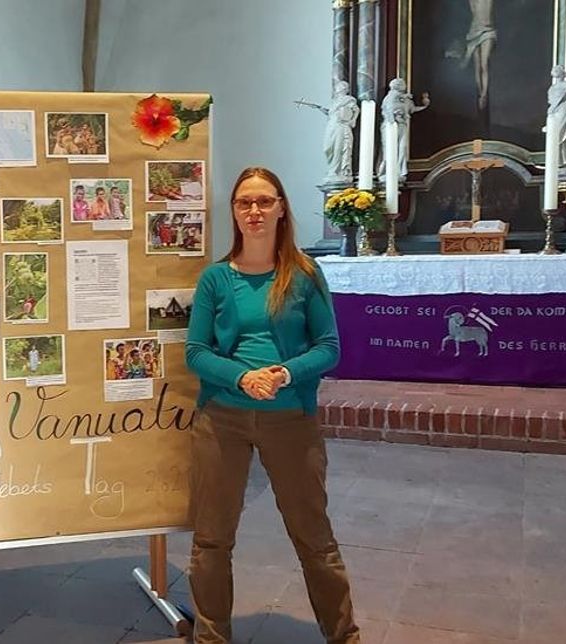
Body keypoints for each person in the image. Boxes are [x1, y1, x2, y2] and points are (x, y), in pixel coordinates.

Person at [185, 167, 359, 644]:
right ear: (234, 212)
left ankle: (344, 635)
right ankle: (212, 637)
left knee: (314, 538)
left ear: (282, 207)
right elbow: (196, 352)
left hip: (290, 420)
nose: (254, 211)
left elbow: (329, 347)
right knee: (211, 539)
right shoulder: (216, 279)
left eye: (264, 201)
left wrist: (284, 374)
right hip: (222, 418)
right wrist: (241, 376)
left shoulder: (304, 275)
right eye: (245, 203)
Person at [322, 80, 360, 181]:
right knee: (328, 148)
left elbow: (356, 110)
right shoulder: (334, 101)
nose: (337, 89)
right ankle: (332, 169)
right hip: (332, 125)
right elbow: (332, 112)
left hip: (341, 126)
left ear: (344, 89)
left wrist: (353, 120)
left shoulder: (349, 100)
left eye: (339, 87)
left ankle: (336, 170)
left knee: (338, 148)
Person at [548, 65, 566, 167]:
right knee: (556, 135)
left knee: (565, 134)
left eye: (557, 70)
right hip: (556, 113)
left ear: (562, 73)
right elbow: (551, 101)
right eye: (554, 70)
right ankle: (558, 160)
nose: (555, 71)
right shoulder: (552, 88)